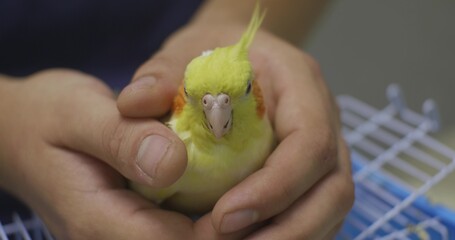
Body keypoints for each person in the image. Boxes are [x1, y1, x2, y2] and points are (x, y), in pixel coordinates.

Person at [0, 0, 354, 239]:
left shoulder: (268, 133)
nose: (217, 114)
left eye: (241, 92)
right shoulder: (175, 152)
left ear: (257, 90)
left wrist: (232, 20)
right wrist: (12, 131)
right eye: (199, 99)